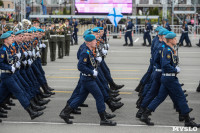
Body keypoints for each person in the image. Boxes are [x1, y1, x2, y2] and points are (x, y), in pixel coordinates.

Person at [139, 32, 200, 128]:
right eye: (175, 39)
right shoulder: (167, 50)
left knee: (160, 97)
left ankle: (145, 114)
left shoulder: (169, 50)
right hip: (170, 78)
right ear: (170, 40)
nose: (176, 40)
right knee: (181, 97)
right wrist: (175, 69)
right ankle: (187, 120)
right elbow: (165, 65)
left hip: (167, 78)